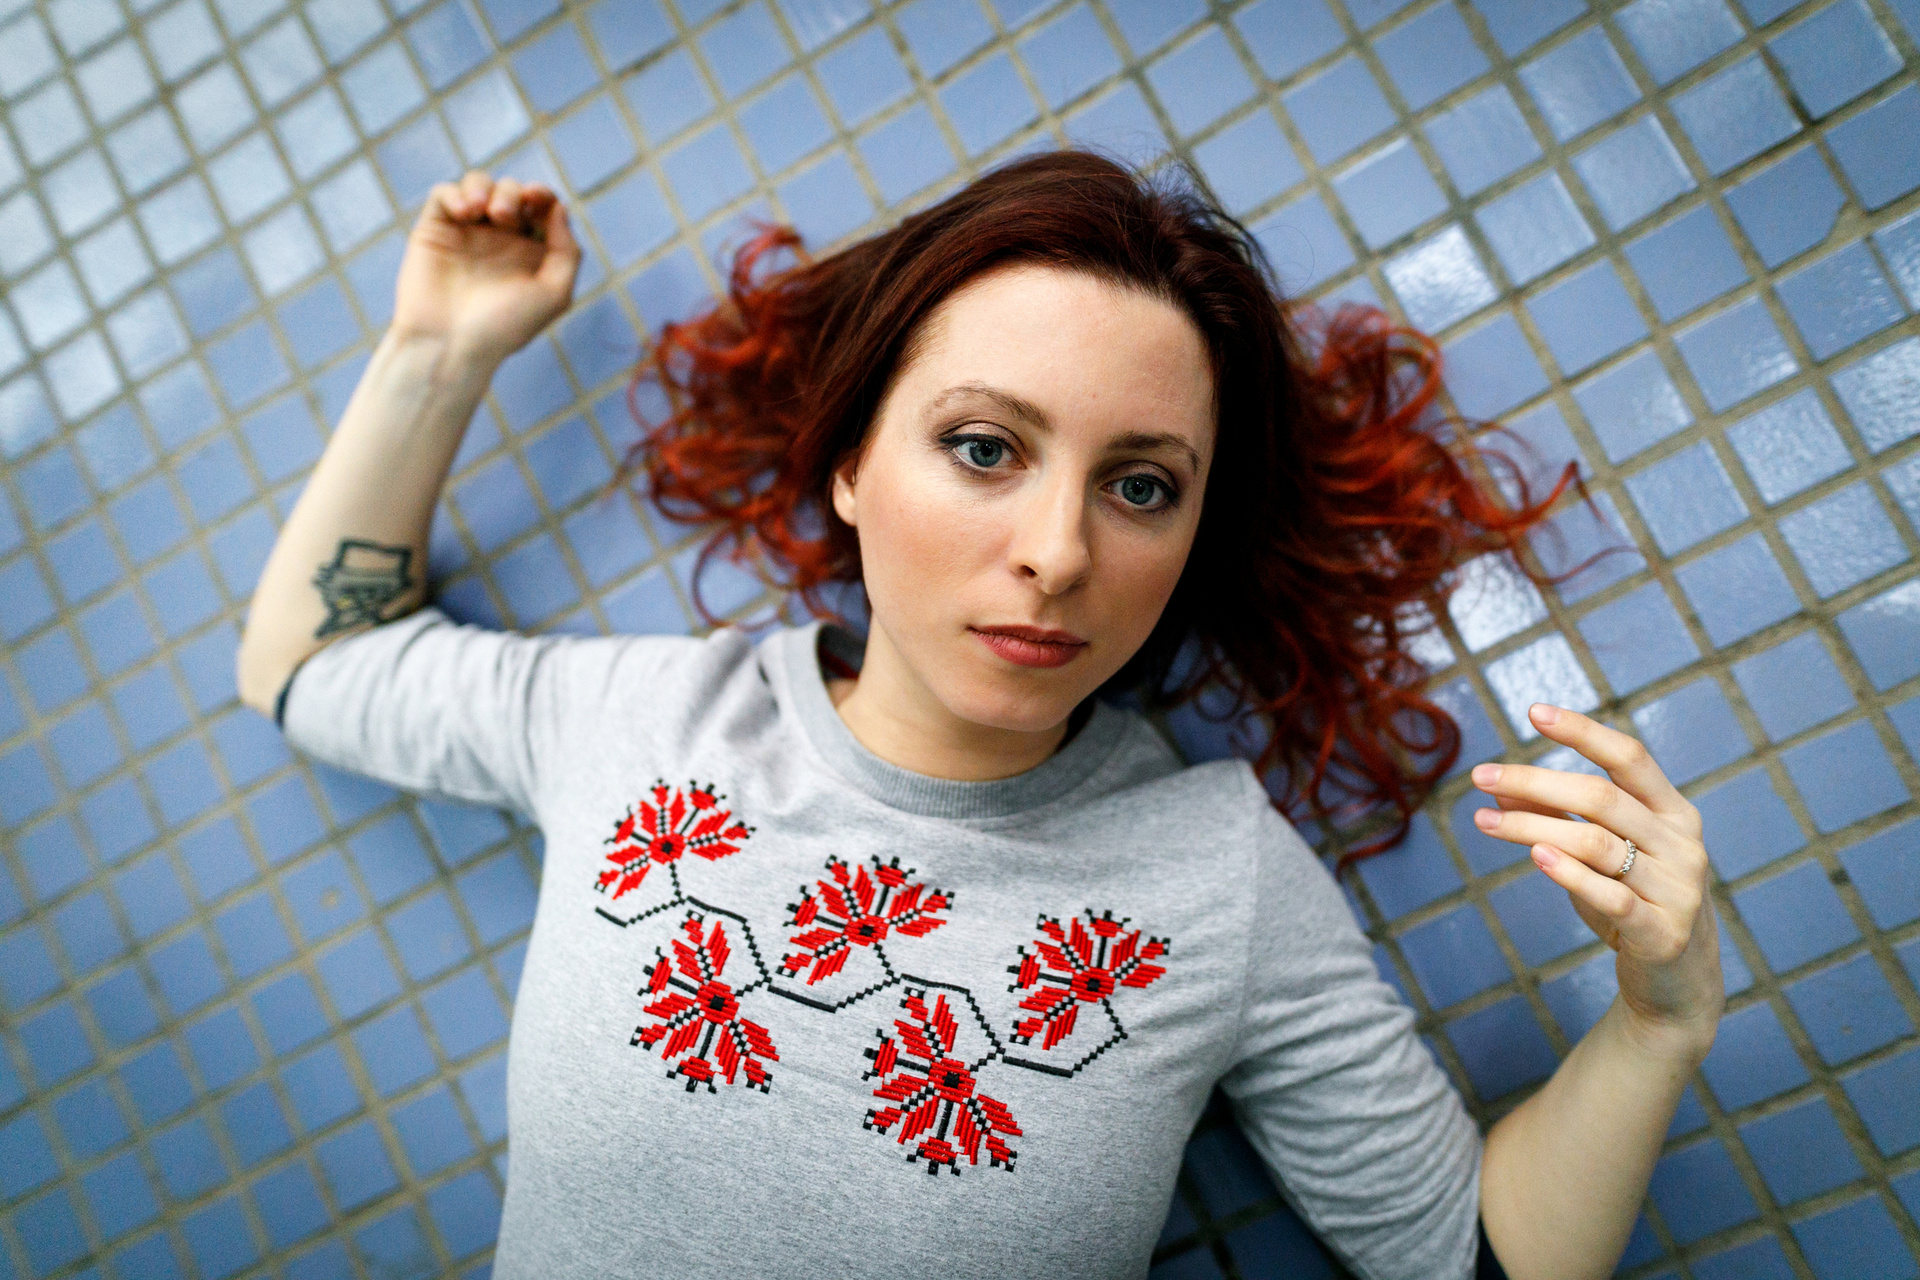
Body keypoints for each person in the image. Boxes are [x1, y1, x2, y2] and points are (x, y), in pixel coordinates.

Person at [236, 149, 1724, 1280]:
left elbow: (1475, 1257)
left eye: (1140, 485)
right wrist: (438, 352)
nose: (1059, 553)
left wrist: (1659, 1023)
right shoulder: (645, 719)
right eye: (984, 447)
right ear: (852, 462)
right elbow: (311, 664)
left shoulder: (1216, 878)